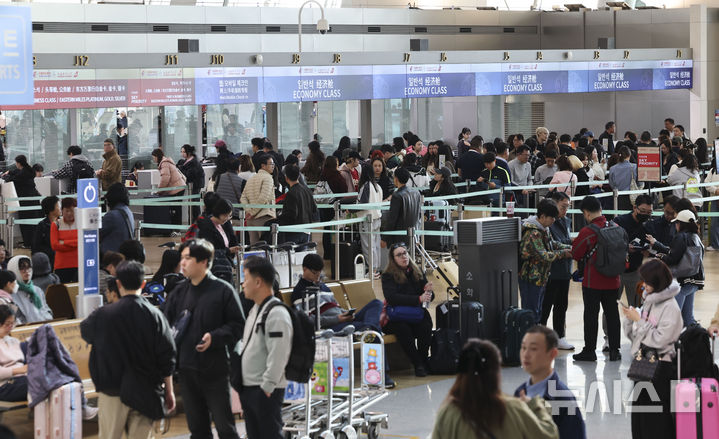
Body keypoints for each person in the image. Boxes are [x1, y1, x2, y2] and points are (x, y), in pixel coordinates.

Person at [81, 260, 177, 438]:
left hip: (112, 391)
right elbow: (167, 356)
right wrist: (169, 391)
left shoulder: (103, 314)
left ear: (118, 283)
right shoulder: (155, 315)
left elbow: (86, 332)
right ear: (143, 283)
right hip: (146, 390)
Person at [164, 239, 244, 439]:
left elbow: (238, 326)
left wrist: (215, 337)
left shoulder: (223, 290)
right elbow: (167, 327)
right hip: (187, 368)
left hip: (216, 369)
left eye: (188, 258)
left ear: (204, 262)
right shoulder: (179, 292)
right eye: (182, 258)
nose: (182, 263)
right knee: (197, 429)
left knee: (225, 427)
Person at [431, 339, 559, 439]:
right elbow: (549, 435)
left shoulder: (447, 414)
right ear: (496, 374)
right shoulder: (515, 409)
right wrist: (535, 405)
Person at [621, 259, 682, 439]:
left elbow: (660, 339)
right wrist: (630, 319)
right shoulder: (649, 301)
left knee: (655, 421)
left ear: (658, 282)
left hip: (661, 369)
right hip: (644, 364)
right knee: (640, 418)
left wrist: (639, 321)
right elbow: (636, 337)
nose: (644, 286)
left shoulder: (671, 307)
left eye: (647, 282)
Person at [238, 255, 293, 439]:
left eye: (245, 279)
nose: (243, 284)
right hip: (251, 387)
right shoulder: (255, 309)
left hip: (265, 389)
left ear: (258, 281)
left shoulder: (277, 313)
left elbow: (279, 354)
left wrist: (268, 386)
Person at [571, 196, 622, 362]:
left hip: (593, 281)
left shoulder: (588, 232)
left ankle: (589, 351)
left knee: (591, 316)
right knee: (613, 315)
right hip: (613, 280)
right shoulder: (615, 226)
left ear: (586, 213)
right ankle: (615, 350)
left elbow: (576, 253)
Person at [514, 326, 586, 439]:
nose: (526, 354)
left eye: (533, 349)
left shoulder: (564, 400)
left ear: (552, 354)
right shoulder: (520, 392)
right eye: (523, 348)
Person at [381, 242, 434, 377]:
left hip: (414, 312)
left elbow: (428, 296)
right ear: (393, 259)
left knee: (426, 324)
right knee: (403, 329)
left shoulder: (416, 271)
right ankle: (417, 363)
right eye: (399, 255)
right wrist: (418, 299)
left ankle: (423, 359)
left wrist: (429, 293)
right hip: (395, 315)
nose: (404, 257)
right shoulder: (388, 275)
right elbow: (392, 298)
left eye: (405, 253)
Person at [646, 209, 704, 327]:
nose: (675, 225)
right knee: (688, 319)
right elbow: (676, 252)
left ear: (680, 224)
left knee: (673, 319)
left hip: (682, 282)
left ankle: (673, 343)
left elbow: (673, 258)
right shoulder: (696, 237)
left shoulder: (681, 237)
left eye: (676, 223)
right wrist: (657, 244)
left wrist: (658, 256)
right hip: (695, 281)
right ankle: (697, 340)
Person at [519, 199, 572, 324]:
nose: (554, 220)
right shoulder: (533, 233)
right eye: (552, 218)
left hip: (541, 277)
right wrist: (564, 253)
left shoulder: (543, 228)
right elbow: (544, 255)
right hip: (530, 278)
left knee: (538, 312)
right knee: (531, 314)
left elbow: (552, 244)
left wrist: (568, 247)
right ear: (542, 216)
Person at [540, 192, 574, 350]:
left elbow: (563, 242)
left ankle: (560, 336)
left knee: (562, 305)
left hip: (565, 270)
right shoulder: (548, 223)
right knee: (545, 305)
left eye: (567, 207)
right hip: (550, 272)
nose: (565, 210)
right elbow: (554, 244)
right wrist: (570, 244)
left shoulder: (566, 221)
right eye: (563, 207)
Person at [614, 195, 653, 307]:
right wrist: (626, 247)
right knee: (611, 306)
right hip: (617, 271)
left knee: (637, 307)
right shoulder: (620, 221)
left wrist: (648, 251)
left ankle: (637, 325)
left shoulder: (648, 226)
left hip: (635, 271)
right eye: (643, 211)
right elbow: (610, 243)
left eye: (649, 212)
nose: (646, 215)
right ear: (635, 207)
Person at [3, 155, 41, 245]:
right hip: (34, 199)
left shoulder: (22, 174)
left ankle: (28, 242)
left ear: (18, 163)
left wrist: (6, 175)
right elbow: (16, 173)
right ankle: (33, 242)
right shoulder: (29, 171)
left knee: (25, 223)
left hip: (25, 201)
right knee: (33, 222)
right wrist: (10, 172)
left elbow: (11, 179)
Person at [276, 165, 317, 245]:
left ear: (286, 178)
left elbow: (291, 214)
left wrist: (279, 218)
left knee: (291, 255)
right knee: (302, 255)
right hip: (307, 229)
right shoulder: (307, 190)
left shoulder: (291, 193)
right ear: (298, 176)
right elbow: (314, 209)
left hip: (294, 230)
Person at [240, 154, 276, 244]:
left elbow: (243, 197)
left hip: (250, 219)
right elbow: (264, 197)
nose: (273, 166)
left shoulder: (251, 179)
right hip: (264, 217)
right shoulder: (268, 178)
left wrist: (249, 211)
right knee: (265, 246)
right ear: (263, 166)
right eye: (271, 164)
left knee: (254, 246)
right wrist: (252, 212)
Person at [382, 168, 422, 247]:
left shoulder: (397, 196)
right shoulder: (416, 193)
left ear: (396, 179)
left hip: (399, 235)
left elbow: (392, 219)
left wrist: (385, 238)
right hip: (412, 233)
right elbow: (419, 214)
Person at [7, 255, 53, 324]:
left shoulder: (37, 290)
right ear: (14, 270)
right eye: (22, 268)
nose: (27, 271)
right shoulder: (10, 292)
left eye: (29, 267)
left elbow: (45, 310)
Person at [357, 163, 383, 277]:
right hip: (377, 218)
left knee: (368, 246)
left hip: (367, 219)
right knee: (376, 246)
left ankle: (372, 270)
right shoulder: (377, 186)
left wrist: (350, 210)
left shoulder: (366, 186)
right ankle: (376, 269)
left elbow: (362, 204)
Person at [196, 198, 240, 263]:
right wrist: (228, 251)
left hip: (225, 262)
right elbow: (208, 250)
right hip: (214, 264)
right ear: (218, 212)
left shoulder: (226, 224)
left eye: (229, 216)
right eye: (225, 215)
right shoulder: (206, 226)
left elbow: (232, 239)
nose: (227, 218)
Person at [0, 305, 28, 402]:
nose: (10, 328)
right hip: (4, 385)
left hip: (22, 379)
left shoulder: (14, 341)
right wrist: (19, 370)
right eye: (7, 324)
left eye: (12, 324)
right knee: (36, 383)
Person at [100, 183, 135, 256]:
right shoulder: (128, 211)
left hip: (111, 257)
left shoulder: (112, 215)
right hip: (124, 255)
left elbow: (97, 234)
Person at [51, 197, 79, 283]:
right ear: (62, 211)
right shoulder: (56, 224)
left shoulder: (81, 223)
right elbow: (54, 245)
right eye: (67, 210)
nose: (69, 213)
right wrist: (75, 243)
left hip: (78, 263)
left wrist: (64, 243)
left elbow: (83, 242)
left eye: (72, 210)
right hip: (61, 265)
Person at [178, 144, 205, 221]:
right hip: (193, 185)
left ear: (189, 153)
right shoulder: (188, 161)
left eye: (183, 152)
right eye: (181, 152)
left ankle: (196, 221)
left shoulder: (193, 162)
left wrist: (181, 169)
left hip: (195, 185)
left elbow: (189, 174)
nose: (182, 153)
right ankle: (194, 221)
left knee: (194, 204)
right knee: (193, 203)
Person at [32, 195, 60, 269]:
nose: (60, 208)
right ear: (51, 209)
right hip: (48, 261)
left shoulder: (62, 223)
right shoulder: (42, 226)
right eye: (58, 206)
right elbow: (36, 247)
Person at [608, 146, 637, 211]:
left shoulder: (612, 168)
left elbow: (611, 184)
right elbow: (640, 183)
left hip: (618, 197)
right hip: (632, 196)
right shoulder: (635, 167)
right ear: (630, 155)